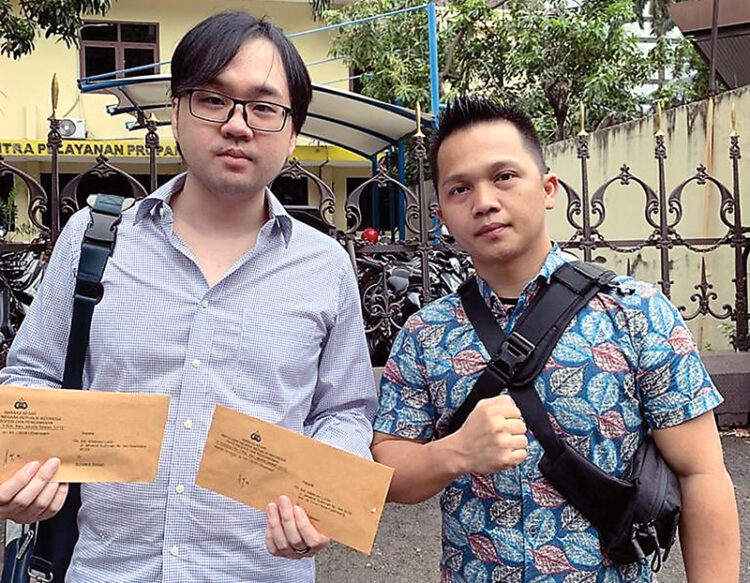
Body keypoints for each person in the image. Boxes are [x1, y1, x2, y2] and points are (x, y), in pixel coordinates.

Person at [0, 11, 376, 583]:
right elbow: (33, 375)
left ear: (293, 131)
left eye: (264, 107)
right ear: (176, 112)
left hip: (259, 571)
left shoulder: (324, 266)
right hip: (109, 569)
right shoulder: (95, 238)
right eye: (213, 100)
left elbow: (343, 410)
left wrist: (322, 495)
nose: (237, 125)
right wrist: (21, 466)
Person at [371, 96, 739, 582]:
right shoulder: (425, 335)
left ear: (548, 189)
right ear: (441, 213)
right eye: (460, 189)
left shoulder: (636, 312)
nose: (484, 202)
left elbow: (701, 473)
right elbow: (388, 470)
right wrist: (454, 452)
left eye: (504, 176)